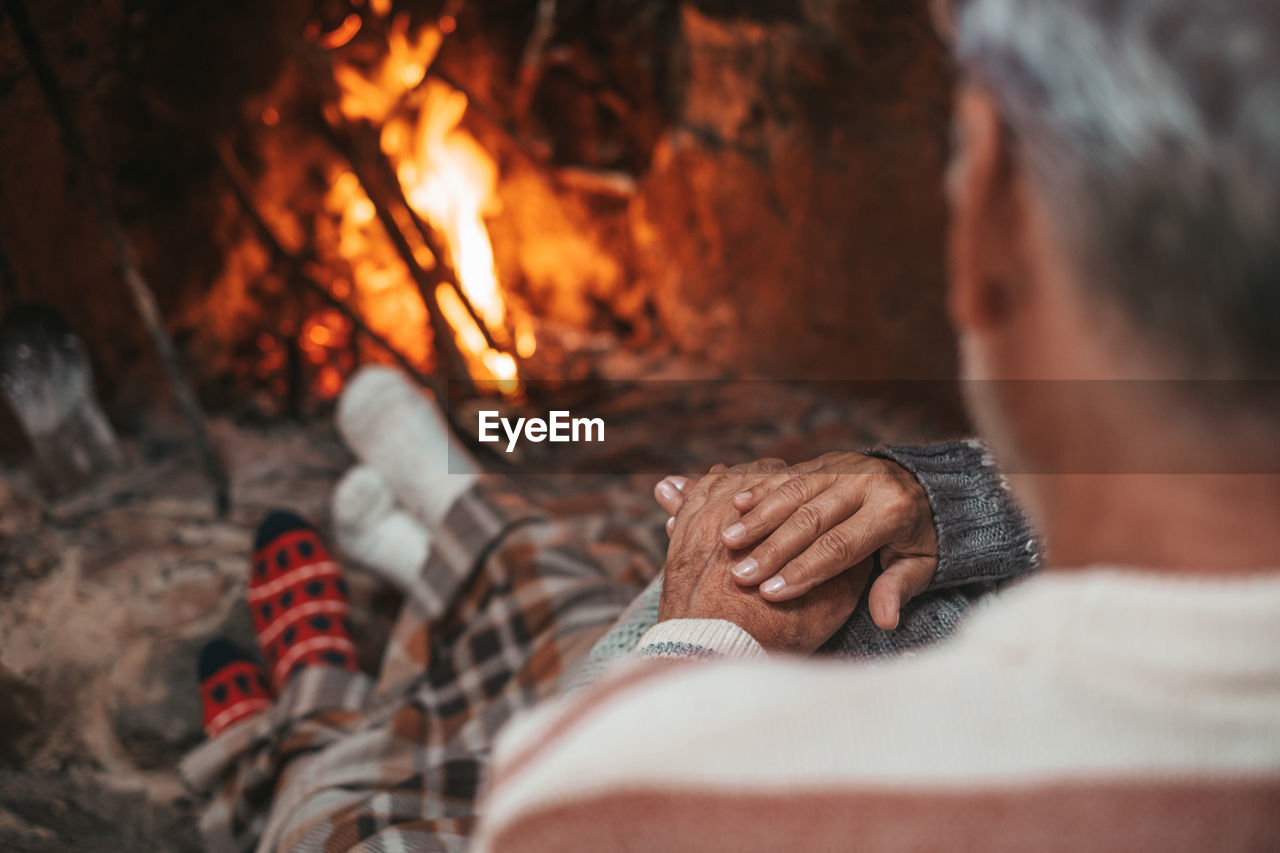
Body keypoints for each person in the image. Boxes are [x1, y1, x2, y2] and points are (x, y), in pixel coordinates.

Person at [469, 0, 1280, 849]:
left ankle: (469, 527)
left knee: (732, 572)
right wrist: (957, 499)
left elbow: (584, 791)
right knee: (819, 547)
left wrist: (706, 633)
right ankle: (446, 520)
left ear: (989, 220)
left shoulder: (589, 802)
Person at [181, 367, 1037, 852]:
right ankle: (465, 534)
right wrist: (939, 497)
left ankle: (308, 708)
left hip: (631, 788)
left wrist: (708, 641)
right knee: (591, 621)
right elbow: (1161, 481)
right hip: (715, 680)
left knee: (324, 824)